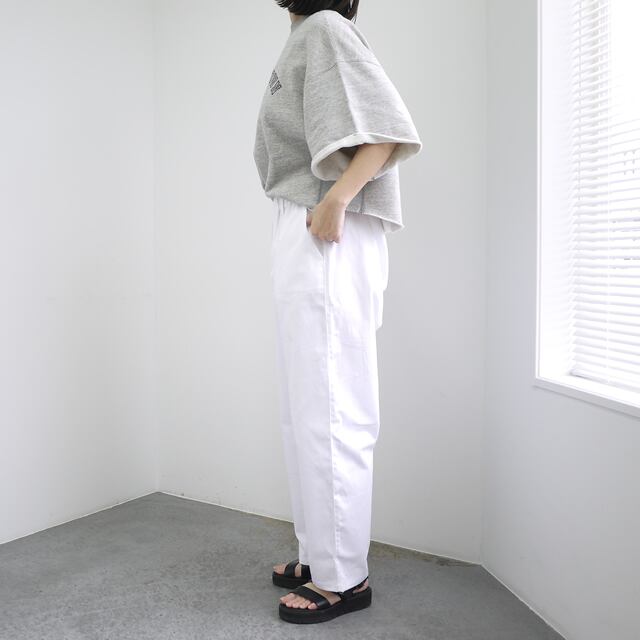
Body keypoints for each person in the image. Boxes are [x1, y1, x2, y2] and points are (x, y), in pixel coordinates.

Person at [253, 0, 422, 625]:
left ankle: (344, 577)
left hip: (328, 228)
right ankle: (319, 554)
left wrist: (337, 200)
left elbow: (386, 130)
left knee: (331, 407)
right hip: (306, 223)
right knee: (305, 409)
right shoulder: (307, 35)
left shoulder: (326, 27)